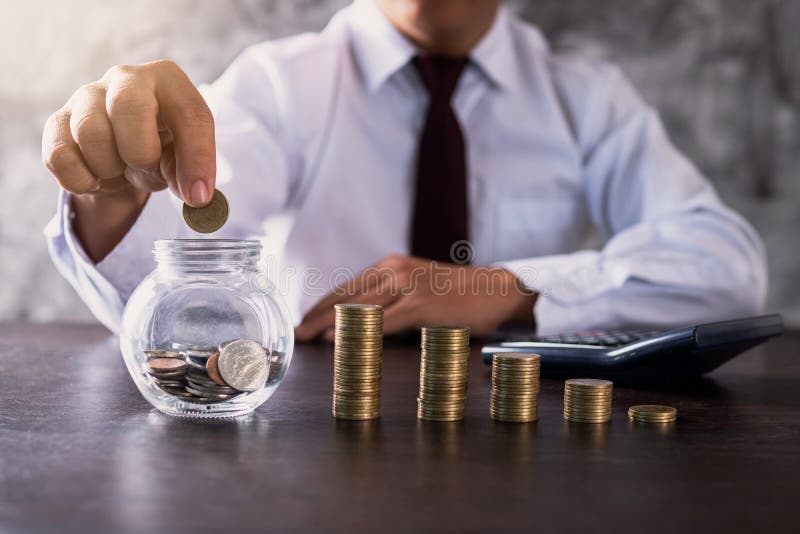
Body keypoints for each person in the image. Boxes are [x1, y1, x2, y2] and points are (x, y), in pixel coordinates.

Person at [43, 0, 767, 341]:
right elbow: (186, 269)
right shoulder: (279, 85)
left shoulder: (588, 99)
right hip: (312, 449)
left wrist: (501, 288)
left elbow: (726, 266)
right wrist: (120, 201)